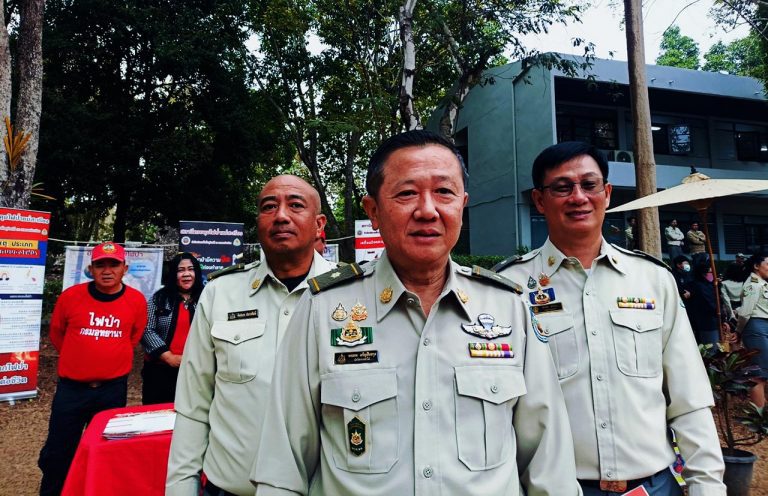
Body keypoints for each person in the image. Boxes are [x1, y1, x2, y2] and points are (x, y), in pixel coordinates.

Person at [251, 130, 580, 496]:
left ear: (462, 205)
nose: (427, 210)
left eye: (444, 192)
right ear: (373, 211)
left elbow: (549, 466)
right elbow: (283, 469)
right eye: (407, 193)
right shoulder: (322, 309)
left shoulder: (508, 307)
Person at [495, 141, 725, 495]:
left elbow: (688, 398)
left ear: (607, 193)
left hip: (655, 485)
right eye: (562, 187)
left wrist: (707, 486)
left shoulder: (653, 279)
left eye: (589, 185)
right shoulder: (508, 288)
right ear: (540, 200)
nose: (578, 197)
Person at [166, 175, 336, 496]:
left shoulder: (351, 294)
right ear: (258, 223)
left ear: (319, 225)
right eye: (269, 207)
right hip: (232, 489)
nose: (281, 215)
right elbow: (193, 404)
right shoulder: (221, 293)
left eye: (295, 205)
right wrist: (181, 488)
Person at [38, 241, 148, 496]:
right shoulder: (70, 297)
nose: (107, 271)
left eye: (114, 264)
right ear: (91, 269)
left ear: (125, 268)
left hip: (111, 391)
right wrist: (81, 358)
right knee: (58, 451)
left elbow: (133, 337)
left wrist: (108, 358)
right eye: (100, 265)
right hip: (71, 390)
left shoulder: (136, 301)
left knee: (106, 449)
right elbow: (57, 334)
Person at [140, 252, 203, 405]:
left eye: (191, 269)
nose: (186, 274)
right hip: (159, 371)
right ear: (173, 274)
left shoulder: (207, 298)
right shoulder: (159, 298)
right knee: (158, 413)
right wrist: (169, 357)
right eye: (181, 270)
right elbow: (147, 329)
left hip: (197, 370)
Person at [735, 251, 768, 408]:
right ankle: (759, 415)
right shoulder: (752, 285)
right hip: (756, 328)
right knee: (758, 375)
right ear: (756, 266)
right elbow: (745, 313)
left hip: (762, 327)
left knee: (764, 372)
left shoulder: (762, 283)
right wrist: (738, 331)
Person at [684, 260, 733, 345]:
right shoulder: (700, 286)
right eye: (710, 272)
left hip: (711, 322)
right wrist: (722, 318)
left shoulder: (709, 285)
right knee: (713, 348)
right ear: (703, 273)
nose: (712, 274)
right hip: (709, 323)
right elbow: (711, 304)